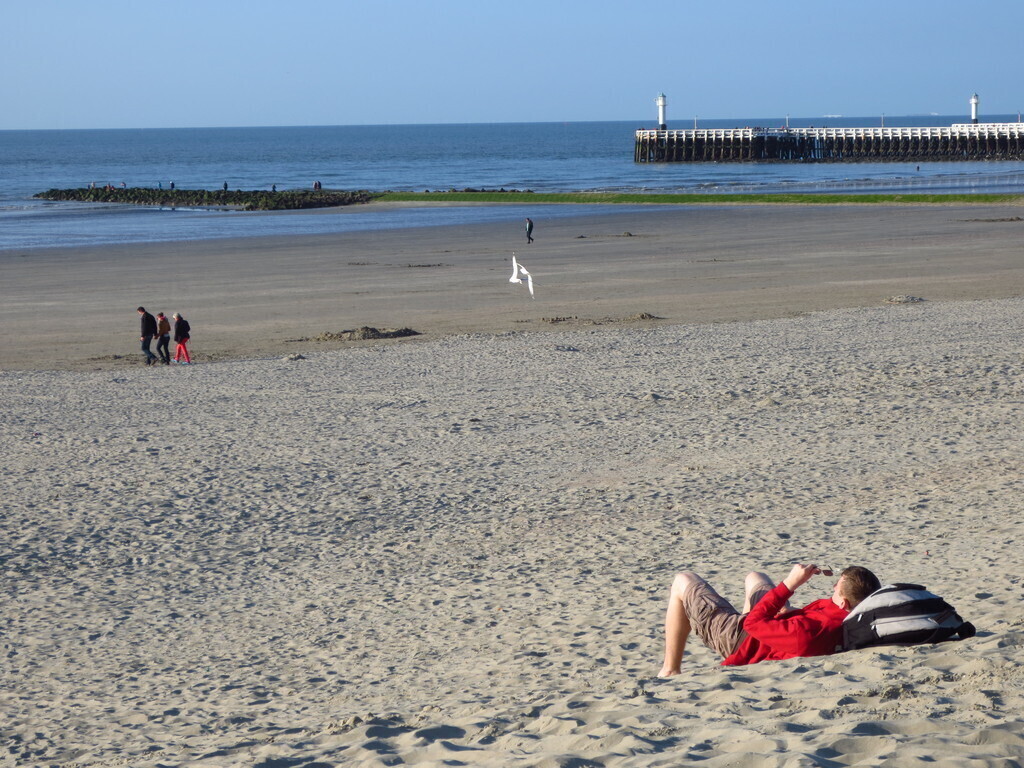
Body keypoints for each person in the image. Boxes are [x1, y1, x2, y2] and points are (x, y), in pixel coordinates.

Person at [658, 562, 880, 676]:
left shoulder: (811, 631)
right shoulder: (853, 616)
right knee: (756, 577)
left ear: (843, 603)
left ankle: (670, 670)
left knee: (683, 580)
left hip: (740, 638)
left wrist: (790, 584)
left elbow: (752, 624)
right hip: (769, 629)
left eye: (836, 587)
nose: (832, 587)